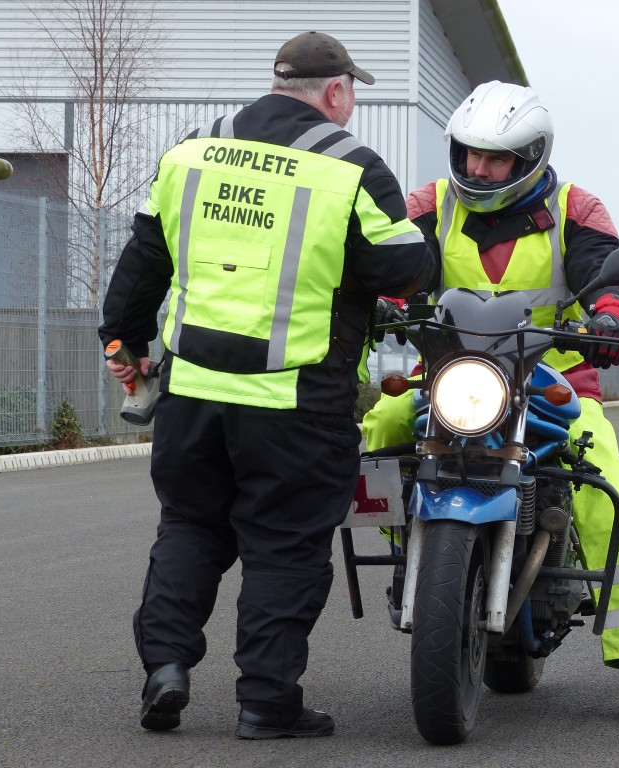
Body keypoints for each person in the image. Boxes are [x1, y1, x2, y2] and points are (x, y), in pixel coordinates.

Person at [99, 32, 433, 739]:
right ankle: (266, 702)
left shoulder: (191, 152)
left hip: (191, 393)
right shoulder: (352, 167)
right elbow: (403, 270)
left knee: (190, 525)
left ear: (279, 82)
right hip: (295, 402)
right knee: (285, 546)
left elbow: (142, 263)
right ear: (337, 91)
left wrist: (123, 341)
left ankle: (165, 667)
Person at [362, 81, 619, 723]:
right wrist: (384, 299)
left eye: (496, 158)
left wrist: (611, 316)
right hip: (450, 380)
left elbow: (604, 273)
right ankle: (409, 550)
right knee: (381, 427)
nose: (479, 168)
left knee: (605, 480)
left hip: (552, 384)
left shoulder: (575, 208)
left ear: (531, 154)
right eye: (471, 153)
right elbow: (395, 264)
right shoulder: (431, 205)